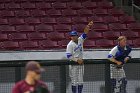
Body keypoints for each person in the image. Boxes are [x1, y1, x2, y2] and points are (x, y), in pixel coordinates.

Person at [66, 21, 93, 93]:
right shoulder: (70, 45)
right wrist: (76, 60)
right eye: (71, 36)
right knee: (74, 81)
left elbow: (85, 33)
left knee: (80, 80)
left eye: (74, 35)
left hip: (81, 63)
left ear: (77, 36)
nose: (72, 37)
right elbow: (68, 56)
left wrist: (88, 26)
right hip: (73, 64)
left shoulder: (80, 40)